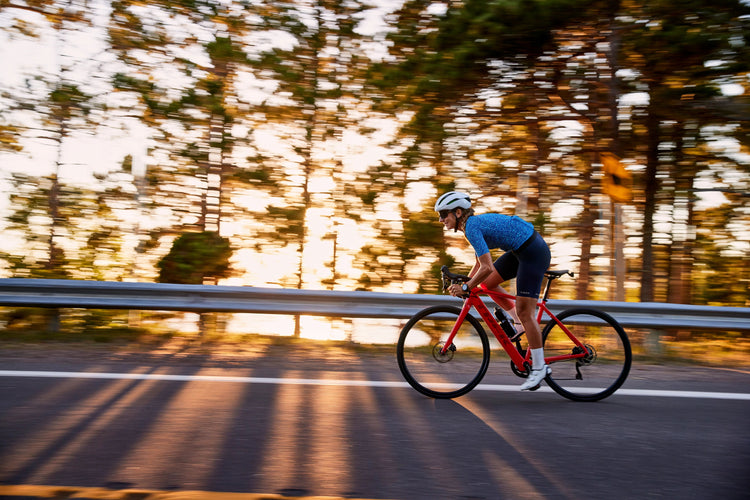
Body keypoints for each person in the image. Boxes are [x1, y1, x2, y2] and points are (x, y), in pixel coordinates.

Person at [435, 191, 552, 391]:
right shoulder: (470, 227)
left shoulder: (471, 227)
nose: (441, 219)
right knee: (487, 284)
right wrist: (468, 283)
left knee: (527, 312)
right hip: (519, 250)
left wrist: (466, 286)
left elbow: (487, 267)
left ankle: (540, 367)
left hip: (532, 252)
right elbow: (480, 263)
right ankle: (518, 320)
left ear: (458, 212)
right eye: (439, 215)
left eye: (444, 214)